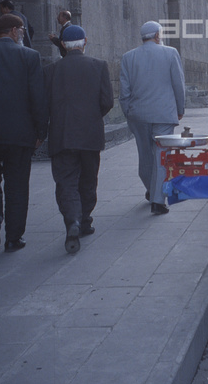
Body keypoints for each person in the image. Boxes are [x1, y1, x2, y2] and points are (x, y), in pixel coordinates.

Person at [44, 25, 113, 254]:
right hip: (90, 135)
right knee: (88, 179)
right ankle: (85, 220)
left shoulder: (51, 70)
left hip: (62, 135)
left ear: (63, 44)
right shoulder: (99, 66)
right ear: (85, 42)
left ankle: (72, 220)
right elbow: (107, 102)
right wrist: (91, 118)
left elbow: (44, 104)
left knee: (66, 181)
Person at [0, 14, 48, 251]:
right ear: (14, 31)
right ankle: (13, 237)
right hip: (20, 134)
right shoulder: (29, 56)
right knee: (17, 186)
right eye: (22, 29)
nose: (23, 34)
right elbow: (38, 96)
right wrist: (41, 130)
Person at [119, 21, 185, 215]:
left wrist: (128, 112)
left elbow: (124, 91)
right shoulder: (170, 53)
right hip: (164, 114)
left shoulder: (128, 57)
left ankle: (151, 188)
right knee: (161, 155)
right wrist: (180, 108)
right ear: (157, 36)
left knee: (145, 155)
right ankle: (157, 199)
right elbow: (178, 84)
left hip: (138, 114)